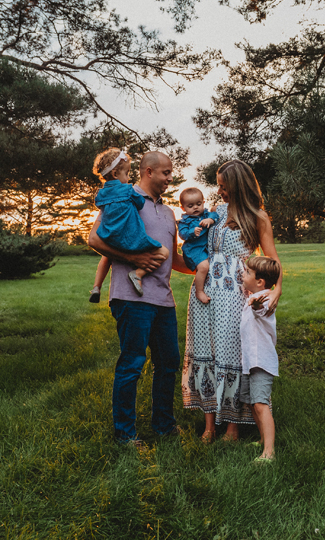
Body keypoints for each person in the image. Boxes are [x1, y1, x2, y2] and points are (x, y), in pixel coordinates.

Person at [88, 151, 194, 446]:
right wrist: (132, 256)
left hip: (163, 300)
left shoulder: (169, 213)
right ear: (148, 172)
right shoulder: (124, 197)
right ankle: (125, 433)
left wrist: (207, 269)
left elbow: (173, 259)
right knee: (132, 363)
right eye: (166, 173)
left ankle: (163, 425)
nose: (171, 178)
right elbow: (94, 239)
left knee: (168, 363)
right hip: (131, 298)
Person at [182, 159, 283, 443]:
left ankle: (233, 426)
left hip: (235, 291)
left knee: (231, 355)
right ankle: (209, 424)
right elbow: (194, 246)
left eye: (224, 187)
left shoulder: (258, 217)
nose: (220, 191)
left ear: (238, 186)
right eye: (219, 186)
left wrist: (276, 291)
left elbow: (273, 259)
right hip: (205, 290)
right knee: (205, 352)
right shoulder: (216, 211)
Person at [89, 148, 170, 301]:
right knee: (164, 252)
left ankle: (96, 287)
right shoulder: (127, 191)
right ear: (115, 174)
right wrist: (132, 258)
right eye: (126, 173)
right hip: (130, 238)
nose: (128, 177)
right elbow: (139, 203)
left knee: (106, 258)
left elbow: (100, 204)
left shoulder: (102, 195)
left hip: (109, 235)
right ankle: (138, 274)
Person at [239, 255, 282, 462]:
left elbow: (261, 310)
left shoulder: (264, 299)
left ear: (260, 282)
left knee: (261, 404)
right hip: (250, 361)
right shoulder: (253, 296)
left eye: (247, 272)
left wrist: (256, 306)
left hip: (261, 362)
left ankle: (269, 452)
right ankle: (263, 439)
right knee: (252, 403)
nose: (243, 273)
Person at [177, 187, 220, 305]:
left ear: (203, 203)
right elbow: (182, 234)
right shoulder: (184, 221)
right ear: (183, 208)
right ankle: (199, 291)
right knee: (204, 267)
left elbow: (215, 214)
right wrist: (192, 232)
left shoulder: (206, 214)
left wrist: (210, 220)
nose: (195, 207)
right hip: (193, 249)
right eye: (190, 206)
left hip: (205, 248)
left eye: (198, 204)